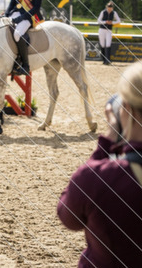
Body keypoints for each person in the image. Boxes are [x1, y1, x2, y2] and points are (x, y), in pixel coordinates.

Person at [57, 61, 142, 267]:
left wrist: (107, 140)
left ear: (127, 109)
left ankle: (22, 62)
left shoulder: (98, 178)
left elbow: (68, 218)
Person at [3, 0, 44, 75]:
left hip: (29, 16)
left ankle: (25, 65)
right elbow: (12, 3)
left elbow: (36, 7)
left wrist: (22, 17)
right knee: (2, 28)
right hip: (15, 13)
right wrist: (6, 15)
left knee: (17, 34)